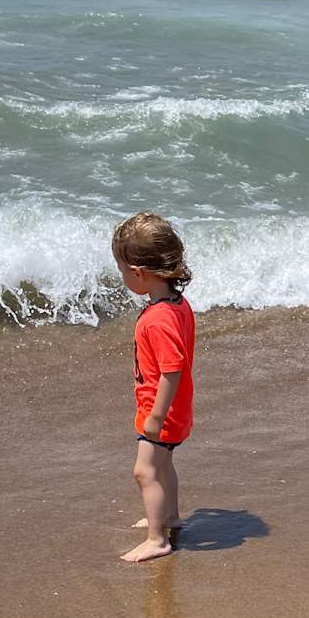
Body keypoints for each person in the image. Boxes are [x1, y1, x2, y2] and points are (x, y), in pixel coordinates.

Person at [112, 212, 196, 564]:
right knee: (162, 467)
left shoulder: (158, 319)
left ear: (138, 272)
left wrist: (156, 417)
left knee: (144, 471)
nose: (122, 277)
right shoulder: (176, 305)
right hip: (175, 409)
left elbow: (172, 370)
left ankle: (157, 539)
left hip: (162, 412)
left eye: (122, 271)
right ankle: (168, 516)